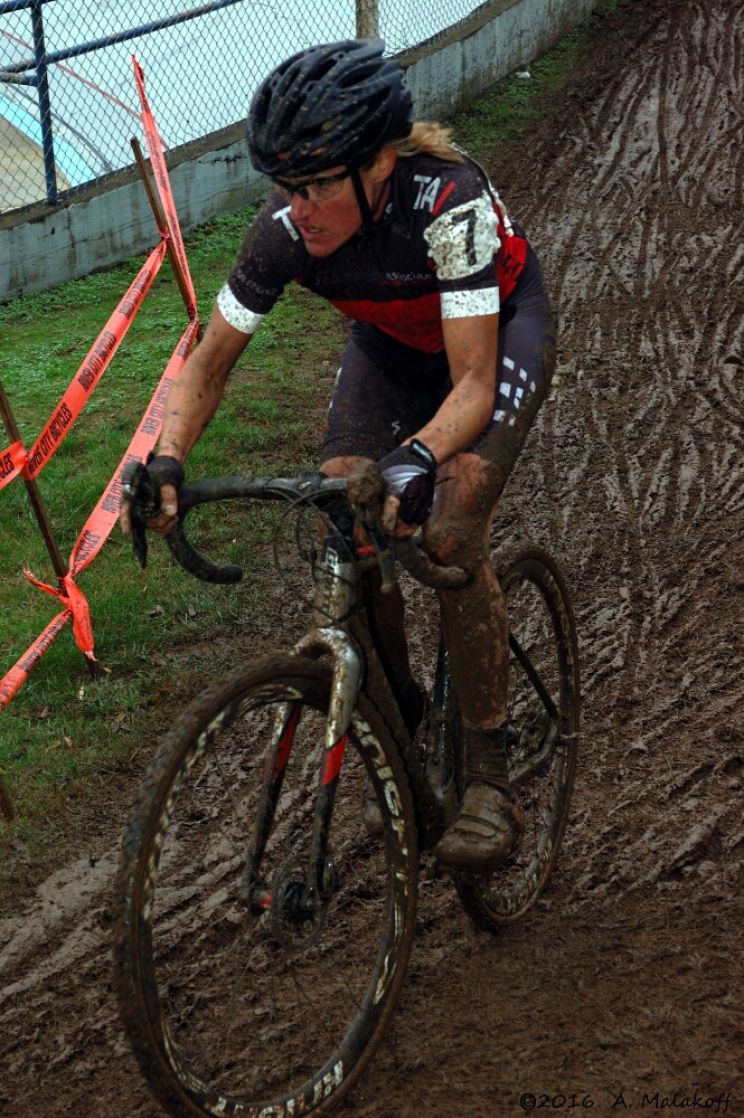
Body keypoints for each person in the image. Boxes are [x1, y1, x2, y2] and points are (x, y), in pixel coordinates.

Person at [120, 37, 555, 870]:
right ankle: (402, 717)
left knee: (450, 532)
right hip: (390, 348)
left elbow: (470, 387)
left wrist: (418, 457)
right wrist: (167, 457)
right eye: (287, 187)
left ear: (380, 164)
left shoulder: (448, 202)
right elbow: (208, 363)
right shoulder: (284, 231)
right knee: (345, 509)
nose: (301, 207)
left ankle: (491, 774)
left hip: (495, 341)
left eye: (319, 185)